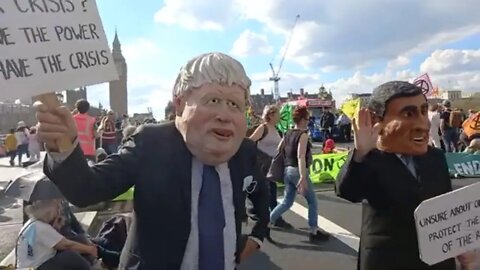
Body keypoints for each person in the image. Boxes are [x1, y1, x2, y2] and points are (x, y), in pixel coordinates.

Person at [36, 52, 269, 270]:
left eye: (234, 105)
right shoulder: (151, 143)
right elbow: (87, 189)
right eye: (213, 100)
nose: (225, 115)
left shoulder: (244, 151)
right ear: (179, 105)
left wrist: (257, 236)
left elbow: (260, 193)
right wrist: (63, 146)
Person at [335, 81, 475, 270]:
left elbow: (446, 207)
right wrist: (360, 153)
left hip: (436, 260)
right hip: (388, 261)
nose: (422, 124)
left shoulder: (435, 157)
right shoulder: (369, 158)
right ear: (378, 120)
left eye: (424, 111)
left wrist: (460, 245)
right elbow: (347, 191)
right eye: (408, 114)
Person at [269, 106, 330, 242]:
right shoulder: (303, 135)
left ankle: (269, 220)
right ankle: (314, 231)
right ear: (302, 120)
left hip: (287, 170)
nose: (308, 121)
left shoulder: (288, 133)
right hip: (297, 170)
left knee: (287, 201)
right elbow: (301, 156)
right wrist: (303, 176)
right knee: (312, 201)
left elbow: (279, 148)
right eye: (307, 118)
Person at [16, 199, 97, 270]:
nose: (59, 210)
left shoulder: (34, 223)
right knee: (70, 256)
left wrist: (56, 227)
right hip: (35, 267)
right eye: (57, 208)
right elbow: (66, 245)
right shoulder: (40, 227)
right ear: (49, 211)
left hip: (38, 263)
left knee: (78, 242)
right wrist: (90, 249)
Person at [249, 105, 292, 229]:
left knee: (271, 191)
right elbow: (251, 141)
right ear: (271, 115)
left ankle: (271, 217)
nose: (279, 116)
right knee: (268, 192)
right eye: (277, 114)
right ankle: (273, 218)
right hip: (263, 165)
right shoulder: (263, 128)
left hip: (272, 165)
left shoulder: (276, 129)